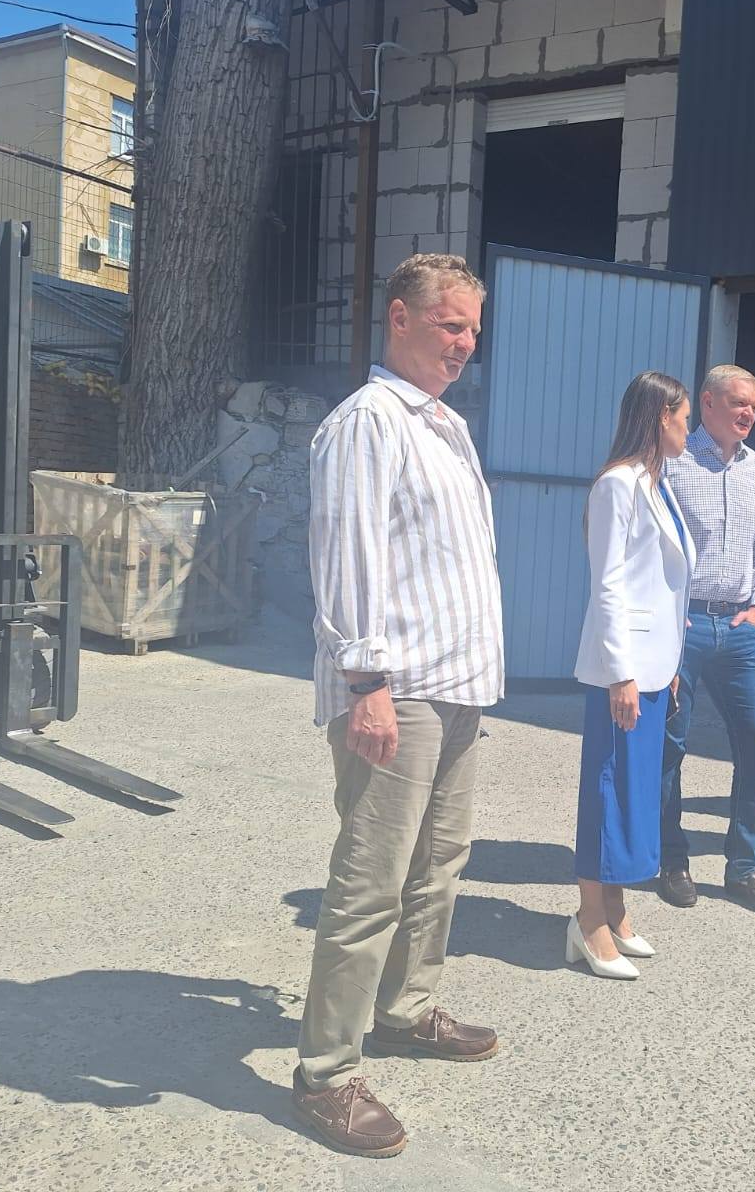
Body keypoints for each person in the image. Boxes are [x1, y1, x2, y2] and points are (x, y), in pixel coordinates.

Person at [293, 254, 502, 1158]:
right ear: (400, 319)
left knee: (439, 863)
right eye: (450, 324)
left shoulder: (444, 425)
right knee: (370, 880)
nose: (464, 342)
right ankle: (325, 1074)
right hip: (397, 688)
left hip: (456, 685)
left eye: (472, 329)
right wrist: (366, 683)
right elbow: (348, 554)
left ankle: (406, 1008)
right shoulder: (368, 422)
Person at [569, 372, 695, 979]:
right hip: (623, 670)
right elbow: (609, 584)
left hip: (653, 666)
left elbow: (667, 587)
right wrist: (621, 672)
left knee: (633, 793)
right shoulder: (617, 485)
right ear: (660, 416)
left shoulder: (656, 484)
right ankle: (589, 920)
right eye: (684, 419)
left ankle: (615, 909)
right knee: (608, 791)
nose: (689, 430)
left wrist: (668, 664)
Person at [660, 364, 755, 917]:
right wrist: (665, 616)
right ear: (707, 402)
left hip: (738, 631)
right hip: (682, 627)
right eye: (738, 403)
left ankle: (744, 869)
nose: (747, 414)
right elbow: (650, 545)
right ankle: (672, 861)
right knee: (670, 748)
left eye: (754, 407)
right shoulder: (672, 461)